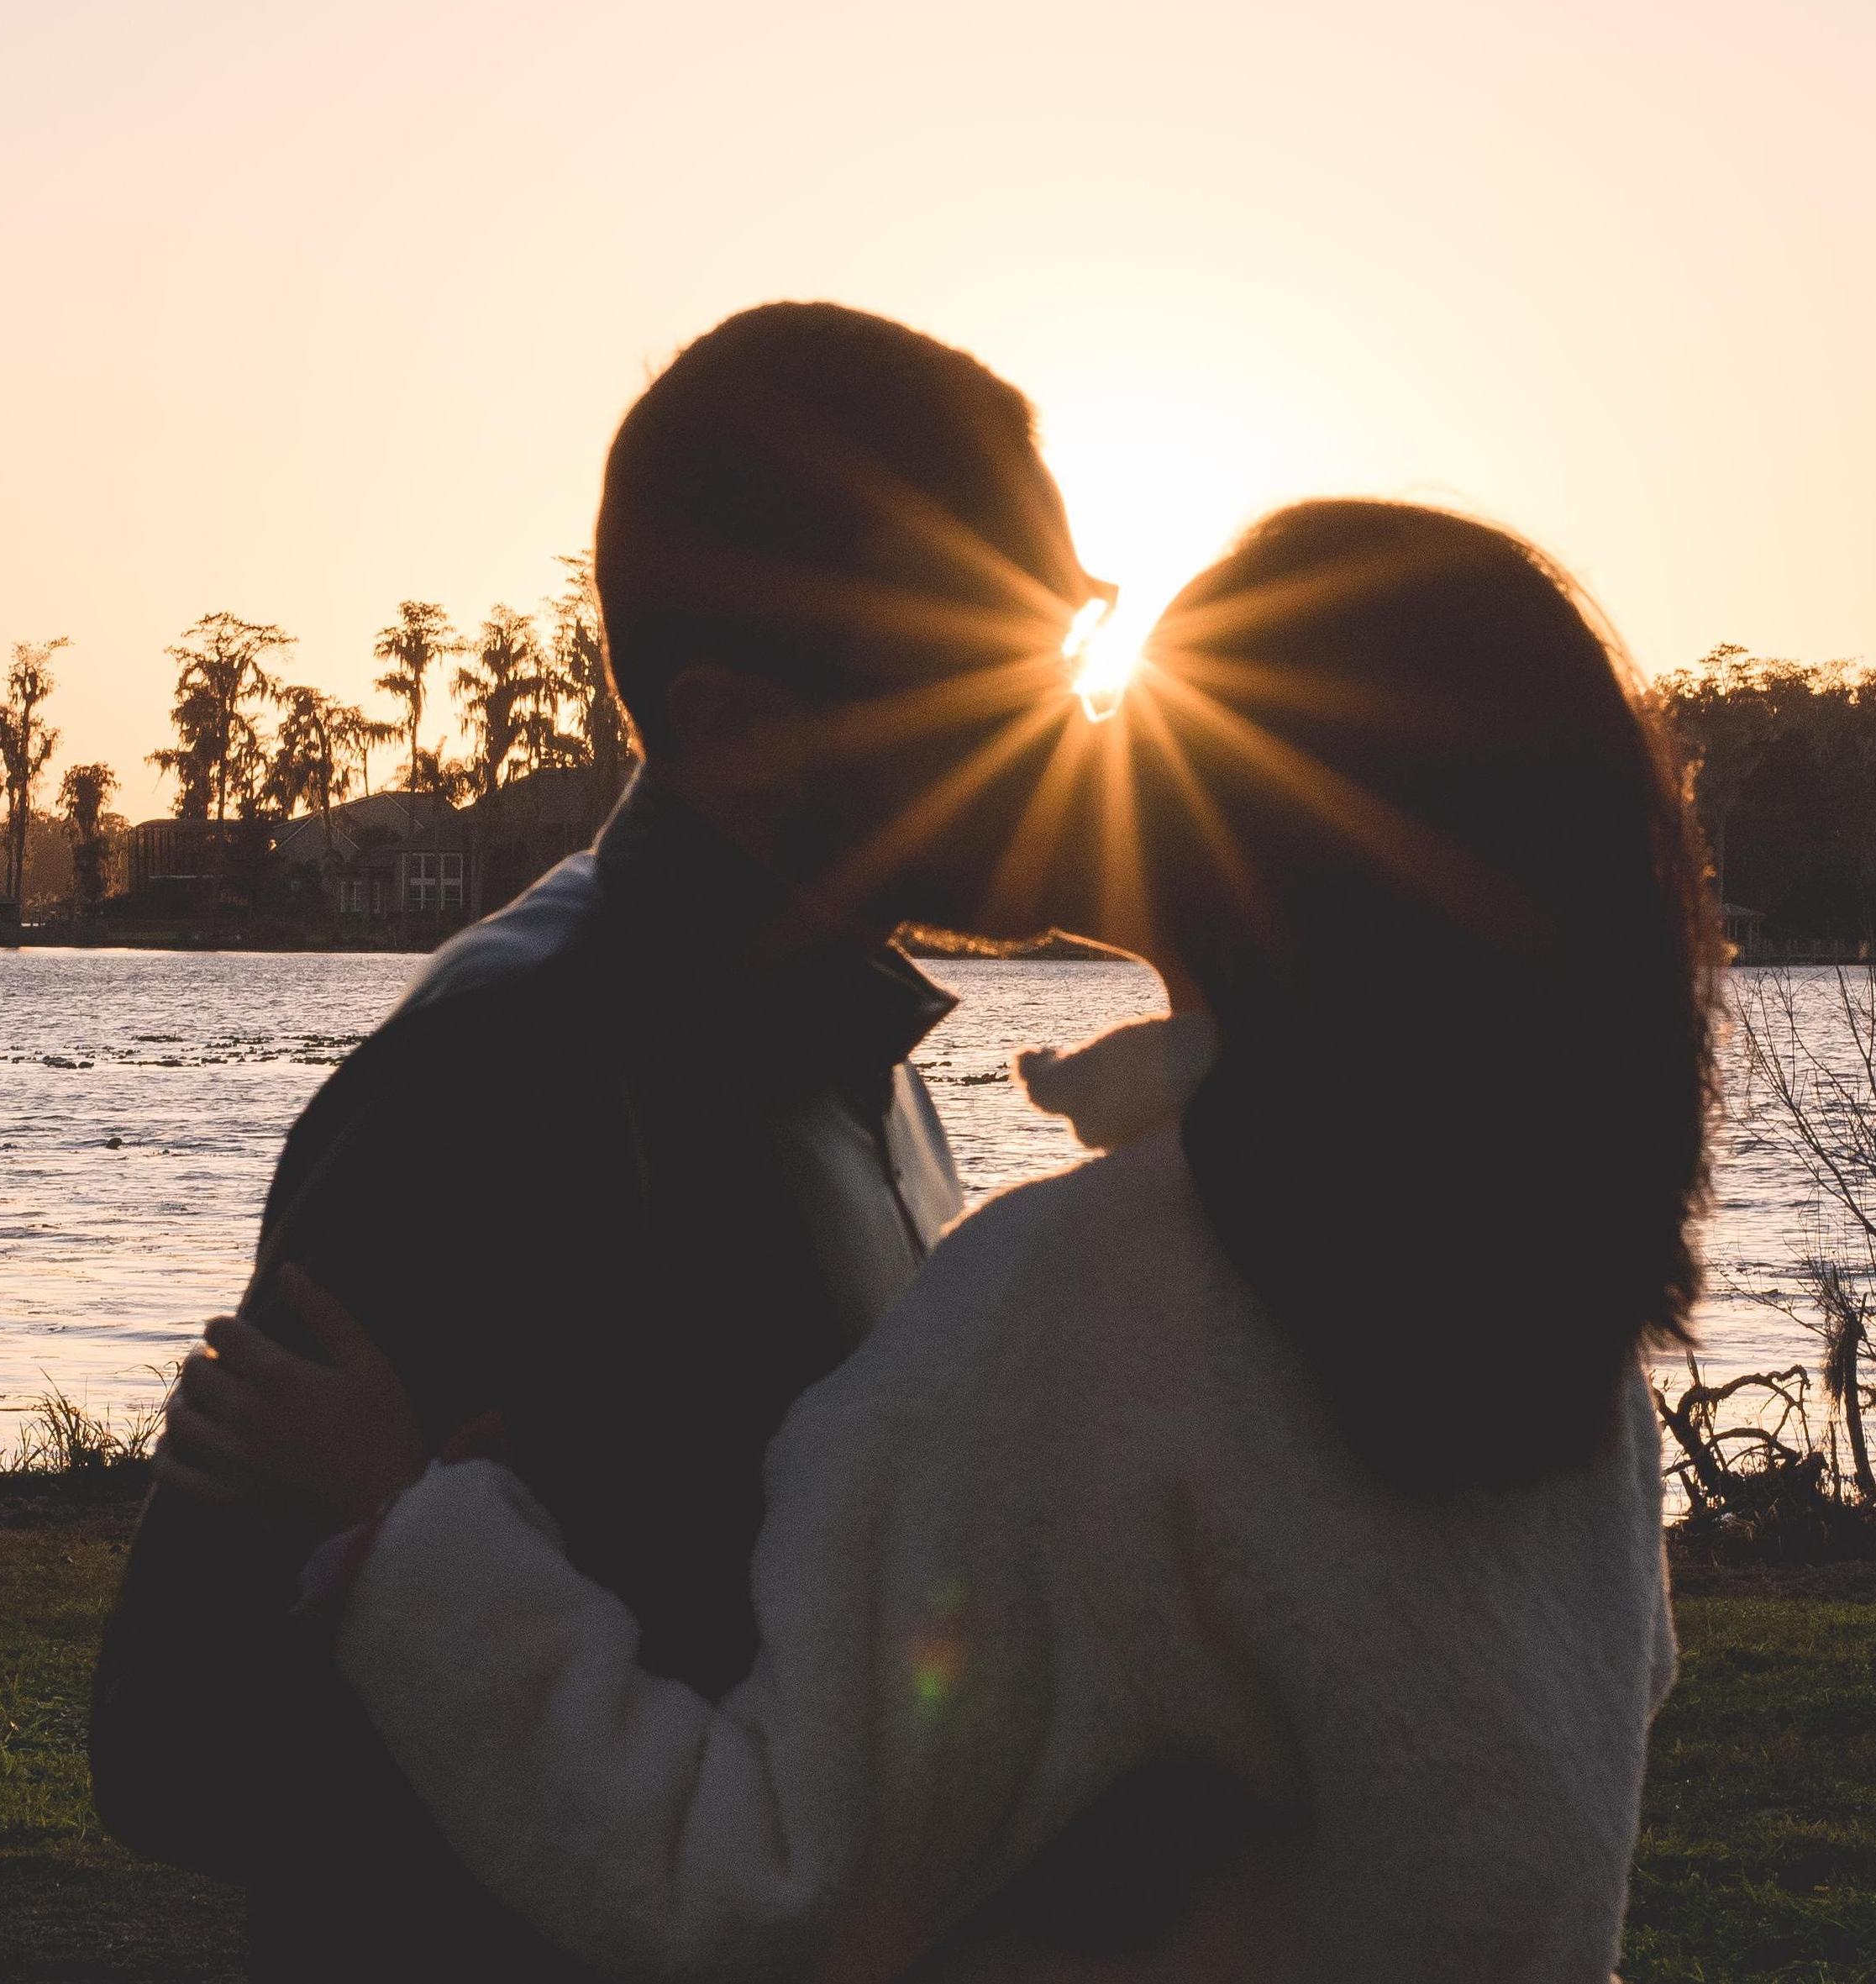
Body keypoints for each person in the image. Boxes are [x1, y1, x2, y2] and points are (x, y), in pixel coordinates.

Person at [157, 499, 1716, 1982]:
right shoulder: (1560, 1314)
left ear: (1241, 820)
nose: (1074, 736)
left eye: (1148, 712)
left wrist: (401, 1538)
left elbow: (749, 1884)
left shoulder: (1103, 1308)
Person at [92, 302, 1108, 1982]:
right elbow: (179, 1736)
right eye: (987, 665)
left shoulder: (851, 1050)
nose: (1066, 717)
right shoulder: (505, 1083)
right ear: (730, 726)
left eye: (1063, 634)